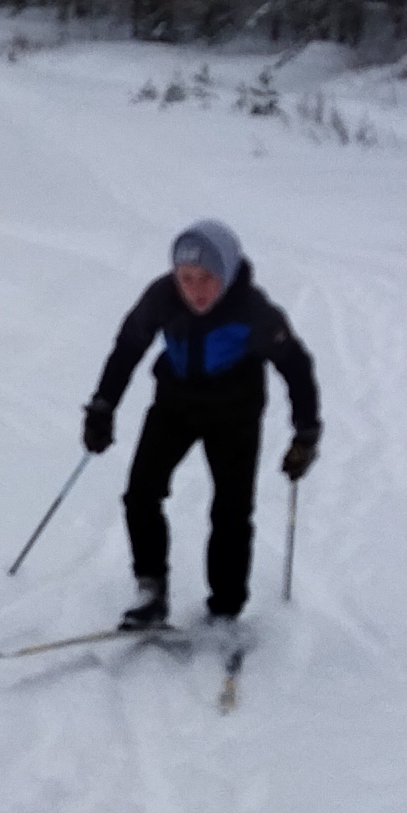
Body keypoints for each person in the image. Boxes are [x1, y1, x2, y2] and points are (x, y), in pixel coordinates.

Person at [80, 216, 320, 630]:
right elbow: (128, 348)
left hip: (236, 414)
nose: (195, 289)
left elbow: (296, 367)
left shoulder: (254, 311)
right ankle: (151, 590)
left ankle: (226, 607)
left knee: (231, 510)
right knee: (140, 494)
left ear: (226, 273)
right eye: (186, 277)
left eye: (207, 277)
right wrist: (103, 407)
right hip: (175, 405)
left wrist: (306, 433)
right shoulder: (161, 297)